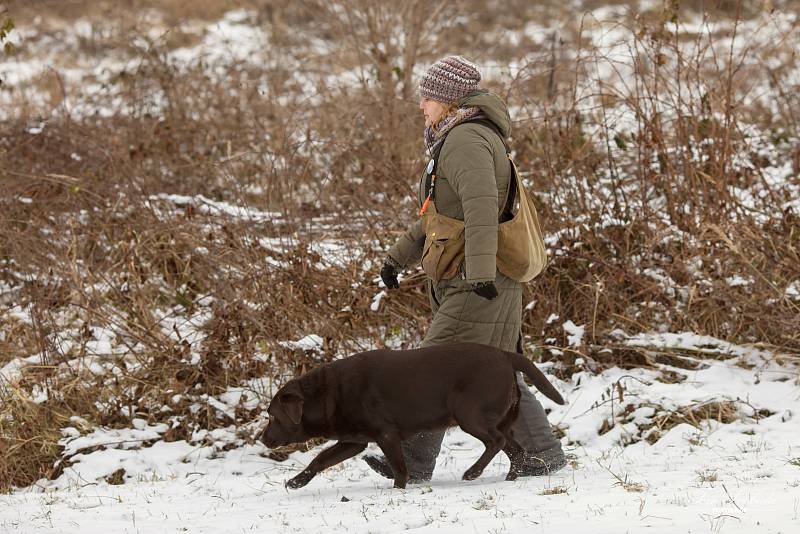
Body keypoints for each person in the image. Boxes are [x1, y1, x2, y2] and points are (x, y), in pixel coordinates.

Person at [365, 55, 566, 483]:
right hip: (473, 276)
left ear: (448, 98)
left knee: (432, 369)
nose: (421, 104)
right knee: (495, 370)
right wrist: (396, 257)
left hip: (479, 280)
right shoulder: (453, 138)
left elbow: (480, 211)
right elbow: (439, 213)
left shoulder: (468, 140)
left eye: (427, 96)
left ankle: (412, 462)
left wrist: (478, 274)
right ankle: (540, 456)